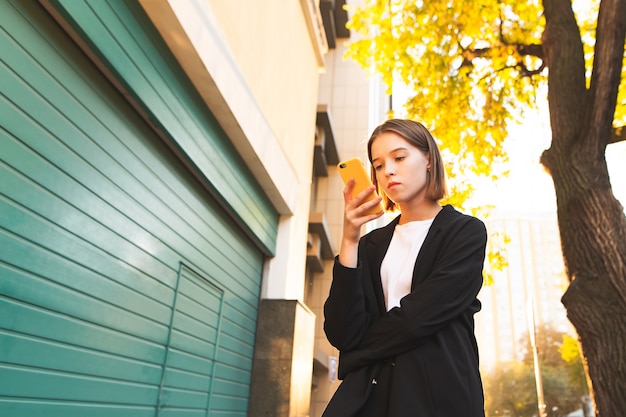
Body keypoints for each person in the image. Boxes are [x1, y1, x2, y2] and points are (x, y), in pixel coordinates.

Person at [323, 119, 487, 417]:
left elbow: (418, 318)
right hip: (370, 396)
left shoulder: (465, 233)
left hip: (439, 396)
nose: (388, 171)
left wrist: (355, 353)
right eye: (378, 164)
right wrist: (349, 239)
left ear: (428, 159)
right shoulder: (371, 245)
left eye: (399, 158)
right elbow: (342, 332)